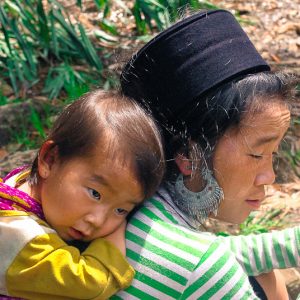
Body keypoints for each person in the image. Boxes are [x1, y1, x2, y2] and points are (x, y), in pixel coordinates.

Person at [113, 9, 298, 299]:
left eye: (273, 154)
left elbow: (229, 252)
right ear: (189, 156)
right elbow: (208, 262)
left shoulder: (130, 213)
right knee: (266, 280)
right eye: (257, 154)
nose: (269, 176)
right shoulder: (203, 264)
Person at [0, 90, 165, 299]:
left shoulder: (23, 183)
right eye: (95, 193)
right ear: (49, 160)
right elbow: (89, 284)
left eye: (121, 210)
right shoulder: (20, 239)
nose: (98, 220)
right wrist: (114, 238)